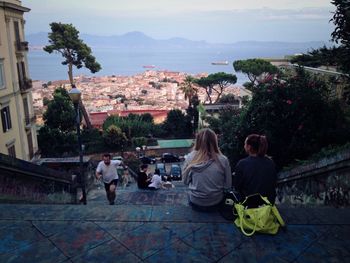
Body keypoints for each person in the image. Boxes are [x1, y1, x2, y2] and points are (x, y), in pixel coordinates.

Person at [183, 128, 232, 212]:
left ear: (198, 141)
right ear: (214, 141)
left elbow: (185, 182)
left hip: (196, 202)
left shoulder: (189, 158)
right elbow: (228, 186)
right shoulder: (223, 159)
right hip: (216, 202)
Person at [234, 134, 277, 207]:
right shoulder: (270, 163)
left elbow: (237, 187)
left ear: (249, 147)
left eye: (245, 144)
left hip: (249, 208)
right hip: (267, 207)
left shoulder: (242, 164)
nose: (244, 146)